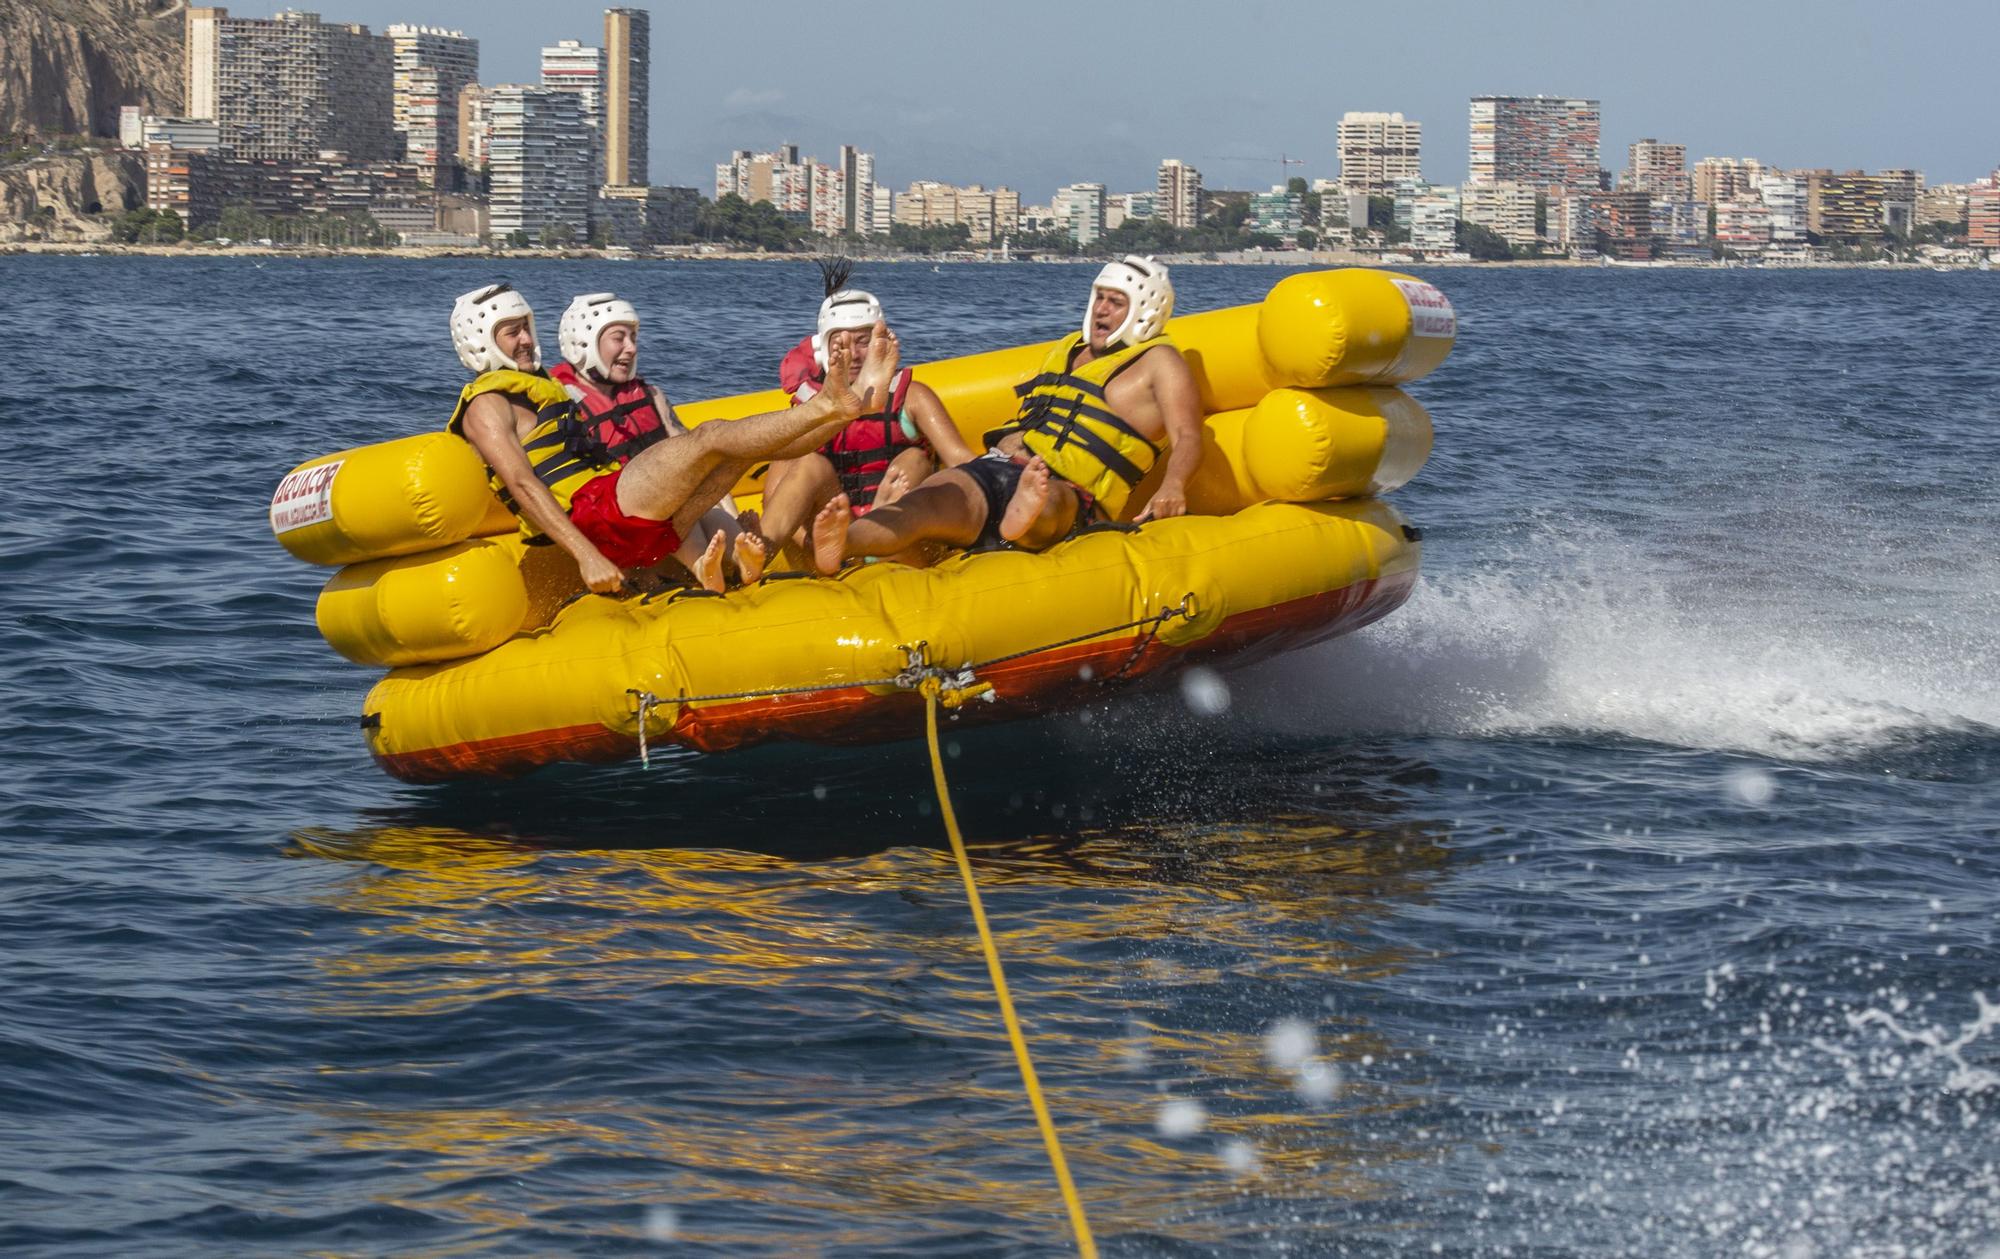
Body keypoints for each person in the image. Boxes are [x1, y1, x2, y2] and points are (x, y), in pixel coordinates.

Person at [443, 282, 895, 596]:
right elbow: (523, 485)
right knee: (711, 437)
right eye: (511, 331)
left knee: (738, 454)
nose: (524, 338)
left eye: (526, 326)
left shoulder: (540, 388)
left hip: (642, 529)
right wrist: (585, 557)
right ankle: (832, 406)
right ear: (482, 340)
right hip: (597, 517)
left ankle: (847, 409)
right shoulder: (487, 406)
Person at [809, 255, 1202, 573]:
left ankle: (1023, 520)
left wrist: (1174, 485)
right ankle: (846, 540)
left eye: (1116, 302)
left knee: (1050, 501)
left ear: (1145, 311)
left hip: (1071, 492)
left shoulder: (1160, 362)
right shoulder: (1068, 348)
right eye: (1100, 296)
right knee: (921, 505)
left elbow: (1187, 435)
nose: (1101, 308)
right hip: (996, 467)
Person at [756, 261, 974, 566]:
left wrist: (1002, 486)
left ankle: (869, 536)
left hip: (901, 537)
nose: (854, 354)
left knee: (913, 461)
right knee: (808, 464)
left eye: (863, 341)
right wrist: (813, 542)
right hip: (832, 537)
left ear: (880, 343)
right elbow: (774, 497)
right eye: (841, 343)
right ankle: (756, 557)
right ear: (823, 349)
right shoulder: (809, 405)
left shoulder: (912, 397)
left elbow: (963, 462)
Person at [549, 292, 760, 589]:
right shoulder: (565, 406)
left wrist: (733, 516)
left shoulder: (652, 396)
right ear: (584, 342)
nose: (631, 348)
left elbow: (702, 459)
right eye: (619, 338)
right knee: (671, 498)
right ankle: (703, 566)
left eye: (633, 337)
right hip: (622, 523)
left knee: (702, 501)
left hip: (665, 516)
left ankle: (740, 556)